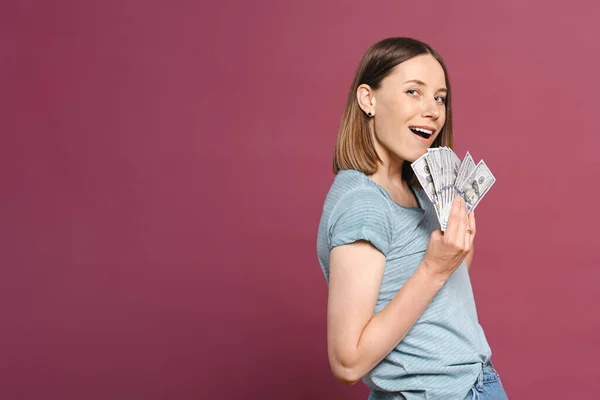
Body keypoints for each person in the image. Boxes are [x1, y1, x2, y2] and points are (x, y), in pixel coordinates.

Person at [316, 38, 508, 400]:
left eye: (440, 97)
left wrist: (457, 239)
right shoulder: (363, 204)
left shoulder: (417, 189)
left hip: (473, 383)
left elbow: (450, 281)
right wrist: (433, 269)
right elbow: (347, 362)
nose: (433, 110)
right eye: (413, 92)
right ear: (368, 99)